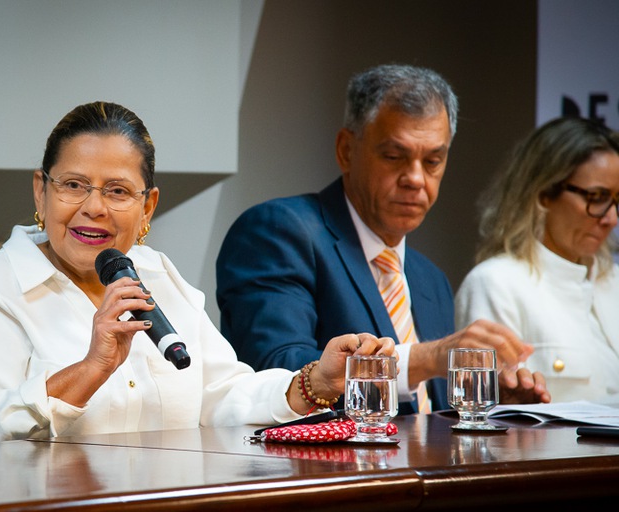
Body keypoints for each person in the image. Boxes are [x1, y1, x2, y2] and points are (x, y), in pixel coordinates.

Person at [0, 101, 395, 446]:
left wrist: (315, 381)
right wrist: (90, 370)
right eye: (73, 185)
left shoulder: (156, 274)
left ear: (148, 207)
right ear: (41, 193)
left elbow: (221, 395)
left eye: (118, 191)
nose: (93, 208)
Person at [216, 64, 550, 415]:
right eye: (394, 157)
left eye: (433, 161)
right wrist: (428, 358)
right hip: (319, 469)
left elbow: (429, 417)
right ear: (346, 150)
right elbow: (279, 368)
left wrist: (491, 406)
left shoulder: (428, 278)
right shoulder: (278, 232)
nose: (416, 179)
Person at [456, 117, 619, 403]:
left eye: (617, 200)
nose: (610, 218)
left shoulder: (614, 282)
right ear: (543, 194)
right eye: (596, 197)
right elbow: (485, 417)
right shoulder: (497, 284)